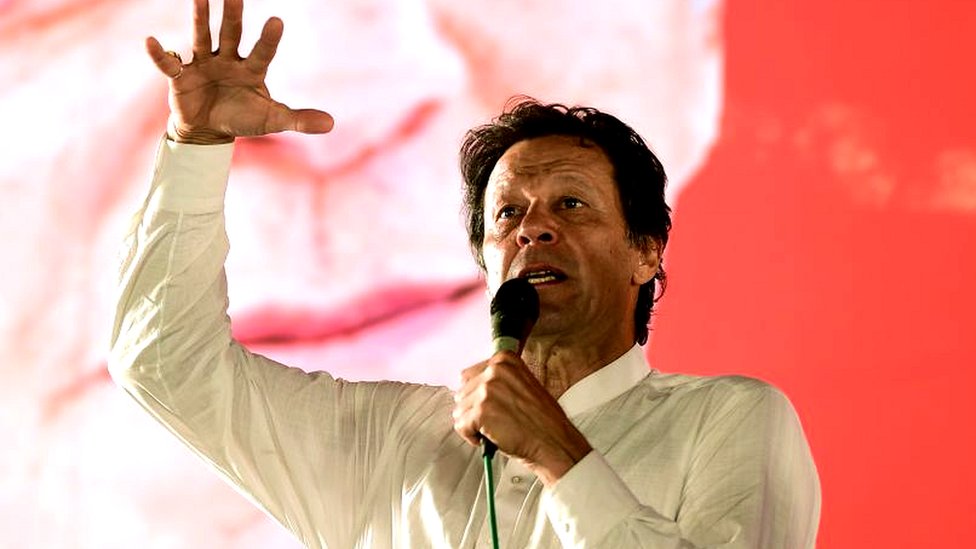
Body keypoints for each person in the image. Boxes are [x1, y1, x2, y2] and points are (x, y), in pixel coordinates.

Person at [109, 0, 820, 547]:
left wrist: (559, 453)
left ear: (646, 251)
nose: (533, 228)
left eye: (572, 203)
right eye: (508, 214)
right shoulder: (389, 441)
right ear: (486, 263)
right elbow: (165, 363)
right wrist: (196, 146)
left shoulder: (727, 419)